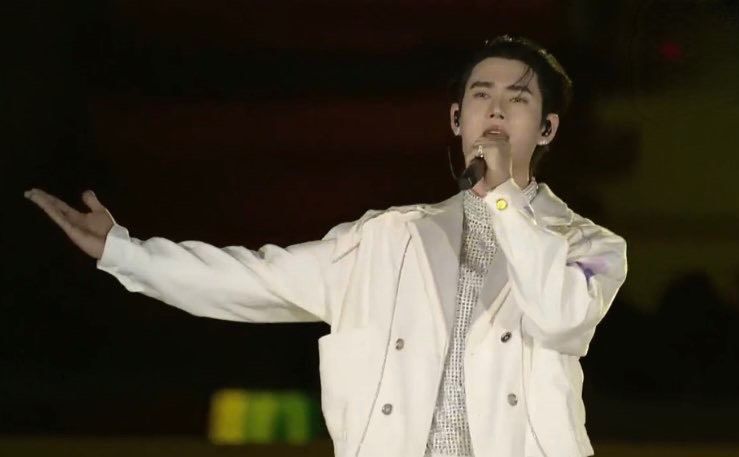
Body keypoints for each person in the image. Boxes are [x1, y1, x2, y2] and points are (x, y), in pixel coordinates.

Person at [24, 35, 627, 457]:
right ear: (455, 118)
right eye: (480, 94)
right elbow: (253, 279)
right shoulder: (386, 238)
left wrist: (503, 199)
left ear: (547, 127)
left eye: (518, 98)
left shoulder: (591, 246)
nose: (495, 109)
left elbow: (559, 316)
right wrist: (122, 252)